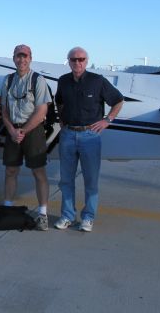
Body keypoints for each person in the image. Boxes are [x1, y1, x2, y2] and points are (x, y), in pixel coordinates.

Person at [54, 46, 124, 232]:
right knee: (66, 179)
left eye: (81, 59)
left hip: (90, 137)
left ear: (86, 61)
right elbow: (59, 101)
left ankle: (88, 217)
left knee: (91, 180)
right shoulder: (63, 81)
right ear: (68, 61)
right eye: (73, 59)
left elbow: (118, 100)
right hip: (68, 134)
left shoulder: (97, 81)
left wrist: (107, 120)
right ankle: (67, 215)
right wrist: (62, 121)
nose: (77, 62)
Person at [1, 44, 52, 231]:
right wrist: (12, 129)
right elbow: (4, 110)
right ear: (13, 58)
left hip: (33, 132)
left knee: (39, 173)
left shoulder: (38, 80)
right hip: (13, 130)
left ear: (30, 58)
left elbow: (41, 111)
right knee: (10, 171)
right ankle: (7, 207)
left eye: (25, 56)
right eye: (18, 56)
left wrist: (23, 131)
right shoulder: (7, 80)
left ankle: (43, 214)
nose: (21, 59)